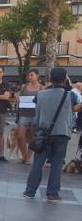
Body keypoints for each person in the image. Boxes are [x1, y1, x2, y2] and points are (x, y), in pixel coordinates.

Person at [23, 68, 82, 202]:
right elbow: (76, 108)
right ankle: (52, 193)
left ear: (50, 78)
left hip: (43, 133)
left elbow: (36, 106)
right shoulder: (70, 95)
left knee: (38, 163)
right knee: (56, 163)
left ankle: (30, 191)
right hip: (62, 133)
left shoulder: (41, 95)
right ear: (65, 79)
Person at [16, 69, 44, 165]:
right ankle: (24, 156)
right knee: (20, 136)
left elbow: (43, 102)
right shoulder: (24, 86)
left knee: (32, 137)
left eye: (32, 75)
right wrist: (18, 100)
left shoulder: (41, 88)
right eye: (29, 75)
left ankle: (28, 158)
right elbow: (19, 97)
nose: (30, 77)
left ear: (37, 76)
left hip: (35, 115)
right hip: (24, 114)